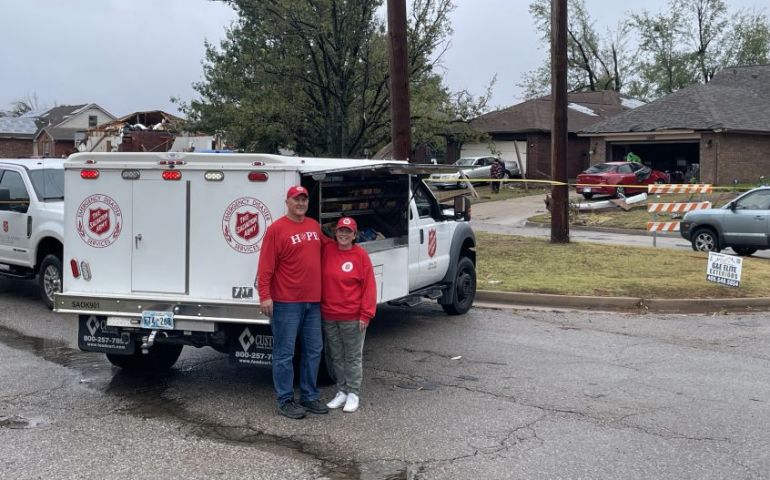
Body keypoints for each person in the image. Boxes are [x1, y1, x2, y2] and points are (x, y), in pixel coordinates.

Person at [257, 185, 329, 419]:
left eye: (304, 200)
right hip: (286, 302)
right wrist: (265, 296)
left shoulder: (313, 227)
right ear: (287, 201)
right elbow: (266, 267)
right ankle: (285, 399)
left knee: (314, 350)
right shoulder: (276, 230)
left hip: (312, 302)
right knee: (284, 353)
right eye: (296, 199)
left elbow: (328, 249)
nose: (300, 203)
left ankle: (309, 395)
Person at [321, 216, 377, 413]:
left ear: (354, 235)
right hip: (330, 314)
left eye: (348, 231)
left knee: (352, 356)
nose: (343, 234)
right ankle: (342, 391)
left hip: (352, 317)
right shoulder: (327, 250)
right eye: (340, 231)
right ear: (335, 233)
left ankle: (353, 393)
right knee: (336, 356)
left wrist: (366, 314)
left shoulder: (360, 256)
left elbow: (369, 286)